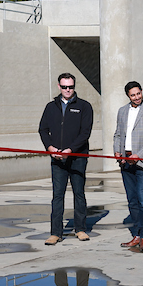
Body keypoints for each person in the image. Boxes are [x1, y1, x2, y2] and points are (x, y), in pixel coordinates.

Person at [38, 73, 94, 246]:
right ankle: (56, 233)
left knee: (79, 193)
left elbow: (85, 133)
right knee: (57, 195)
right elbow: (42, 129)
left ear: (74, 86)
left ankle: (80, 229)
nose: (68, 90)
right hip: (57, 158)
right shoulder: (50, 107)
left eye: (70, 87)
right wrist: (50, 148)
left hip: (77, 157)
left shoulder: (84, 106)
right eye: (64, 87)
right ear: (59, 86)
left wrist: (70, 150)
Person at [112, 81, 143, 254]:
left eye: (138, 93)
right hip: (126, 162)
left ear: (142, 92)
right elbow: (118, 134)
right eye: (133, 95)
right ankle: (136, 234)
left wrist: (139, 154)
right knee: (132, 201)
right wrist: (117, 152)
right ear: (128, 96)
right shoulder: (122, 111)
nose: (137, 97)